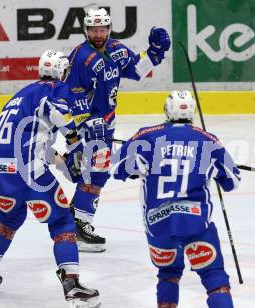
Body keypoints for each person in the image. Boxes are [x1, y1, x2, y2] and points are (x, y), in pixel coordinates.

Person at [0, 50, 100, 308]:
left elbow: (28, 139)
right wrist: (75, 145)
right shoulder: (56, 89)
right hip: (27, 170)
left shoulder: (20, 96)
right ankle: (72, 286)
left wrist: (59, 159)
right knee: (62, 221)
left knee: (9, 216)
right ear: (61, 72)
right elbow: (60, 114)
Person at [111, 90, 241, 307]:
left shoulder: (146, 135)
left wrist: (139, 168)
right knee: (214, 279)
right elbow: (232, 181)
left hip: (158, 223)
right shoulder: (208, 140)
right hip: (196, 222)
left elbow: (117, 168)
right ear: (192, 112)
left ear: (167, 110)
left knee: (168, 273)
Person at [65, 7, 171, 252]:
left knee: (95, 174)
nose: (98, 33)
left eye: (102, 28)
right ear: (86, 30)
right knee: (95, 174)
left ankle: (76, 218)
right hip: (88, 126)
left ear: (109, 28)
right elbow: (71, 93)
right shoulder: (80, 57)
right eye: (93, 29)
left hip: (107, 122)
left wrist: (155, 53)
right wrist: (88, 123)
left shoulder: (117, 49)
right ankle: (80, 226)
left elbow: (135, 69)